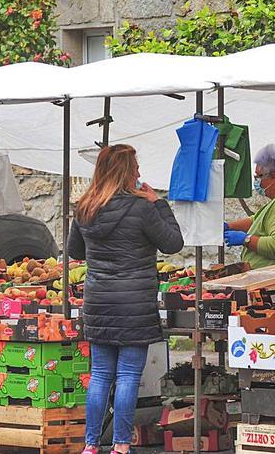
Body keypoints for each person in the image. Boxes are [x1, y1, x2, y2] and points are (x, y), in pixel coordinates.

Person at [68, 145, 183, 454]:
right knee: (129, 375)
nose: (139, 174)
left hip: (99, 301)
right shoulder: (143, 209)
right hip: (134, 303)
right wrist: (159, 204)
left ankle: (91, 445)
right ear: (124, 172)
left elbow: (75, 252)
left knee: (101, 376)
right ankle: (120, 444)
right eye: (135, 168)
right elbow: (173, 243)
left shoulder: (85, 207)